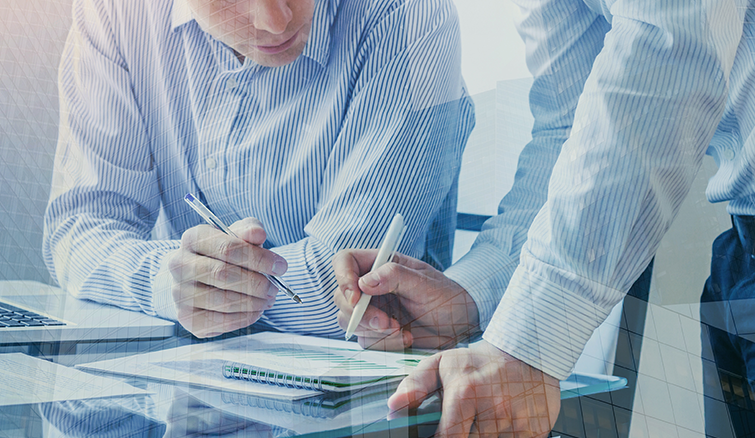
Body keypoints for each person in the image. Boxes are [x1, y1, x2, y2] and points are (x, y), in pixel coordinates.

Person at [335, 0, 752, 438]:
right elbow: (571, 128)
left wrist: (525, 344)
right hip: (741, 253)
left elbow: (669, 55)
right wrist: (472, 297)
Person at [43, 0, 474, 339]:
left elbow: (348, 291)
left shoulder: (411, 15)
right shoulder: (116, 11)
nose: (274, 20)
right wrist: (168, 281)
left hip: (358, 413)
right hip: (170, 395)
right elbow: (79, 231)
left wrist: (208, 288)